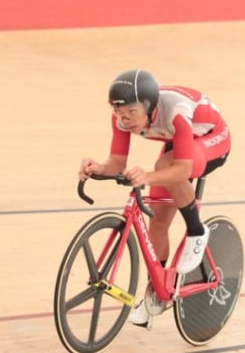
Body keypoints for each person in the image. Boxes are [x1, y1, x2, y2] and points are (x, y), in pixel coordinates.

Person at [78, 69, 231, 329]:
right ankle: (156, 291)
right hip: (179, 143)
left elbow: (181, 169)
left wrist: (147, 177)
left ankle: (197, 230)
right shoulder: (122, 116)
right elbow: (117, 162)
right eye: (119, 113)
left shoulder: (175, 112)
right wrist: (99, 168)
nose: (124, 120)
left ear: (149, 107)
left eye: (131, 114)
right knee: (158, 224)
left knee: (164, 164)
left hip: (211, 139)